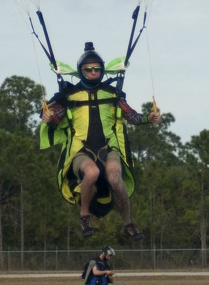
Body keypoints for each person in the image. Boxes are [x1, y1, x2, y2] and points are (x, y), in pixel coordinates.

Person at [40, 42, 162, 240]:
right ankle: (84, 217)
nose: (93, 72)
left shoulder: (113, 94)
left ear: (102, 70)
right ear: (81, 71)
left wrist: (150, 118)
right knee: (92, 172)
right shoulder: (70, 95)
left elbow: (131, 116)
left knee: (115, 177)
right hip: (81, 150)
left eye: (97, 68)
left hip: (108, 148)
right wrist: (48, 118)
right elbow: (55, 119)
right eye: (88, 69)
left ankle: (128, 223)